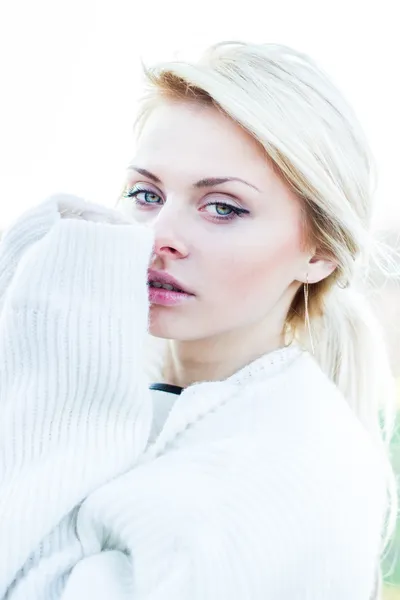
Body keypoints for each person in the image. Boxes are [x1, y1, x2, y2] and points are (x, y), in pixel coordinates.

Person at [0, 41, 397, 600]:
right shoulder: (140, 398)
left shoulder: (285, 469)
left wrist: (52, 378)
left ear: (319, 253)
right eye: (146, 193)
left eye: (223, 207)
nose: (159, 235)